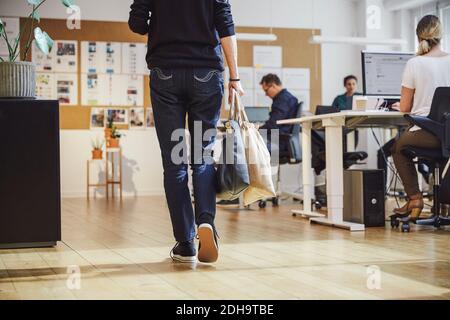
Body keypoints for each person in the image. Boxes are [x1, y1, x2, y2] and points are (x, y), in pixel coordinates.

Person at [129, 0, 244, 264]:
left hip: (166, 75)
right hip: (206, 76)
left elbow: (136, 23)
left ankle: (185, 242)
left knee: (175, 162)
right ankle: (206, 222)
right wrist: (235, 78)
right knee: (202, 157)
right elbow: (225, 24)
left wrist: (163, 26)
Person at [391, 15, 450, 221]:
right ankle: (443, 206)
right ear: (441, 35)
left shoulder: (415, 63)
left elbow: (406, 107)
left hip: (428, 133)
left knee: (398, 147)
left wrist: (402, 106)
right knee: (444, 153)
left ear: (419, 38)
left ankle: (415, 198)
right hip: (449, 133)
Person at [217, 74, 299, 207]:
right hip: (279, 140)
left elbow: (273, 125)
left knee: (241, 148)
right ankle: (235, 192)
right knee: (241, 148)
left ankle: (233, 194)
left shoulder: (283, 99)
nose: (266, 95)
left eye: (266, 90)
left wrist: (254, 130)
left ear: (273, 85)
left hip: (278, 143)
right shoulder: (287, 98)